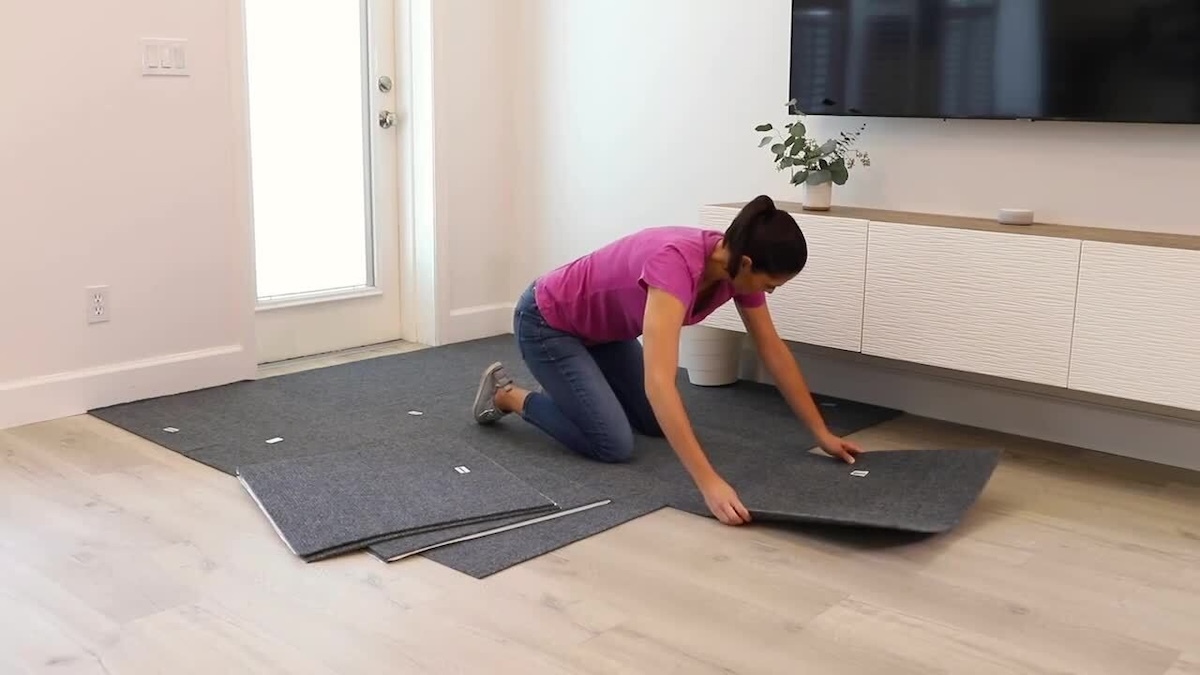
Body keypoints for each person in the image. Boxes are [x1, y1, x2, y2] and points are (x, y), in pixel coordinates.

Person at [469, 195, 863, 526]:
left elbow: (772, 349)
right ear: (747, 265)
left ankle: (579, 387)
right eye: (769, 284)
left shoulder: (733, 265)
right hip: (547, 322)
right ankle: (509, 396)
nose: (770, 292)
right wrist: (709, 482)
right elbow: (659, 382)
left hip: (604, 333)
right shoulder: (675, 265)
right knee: (613, 442)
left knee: (660, 424)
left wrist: (821, 433)